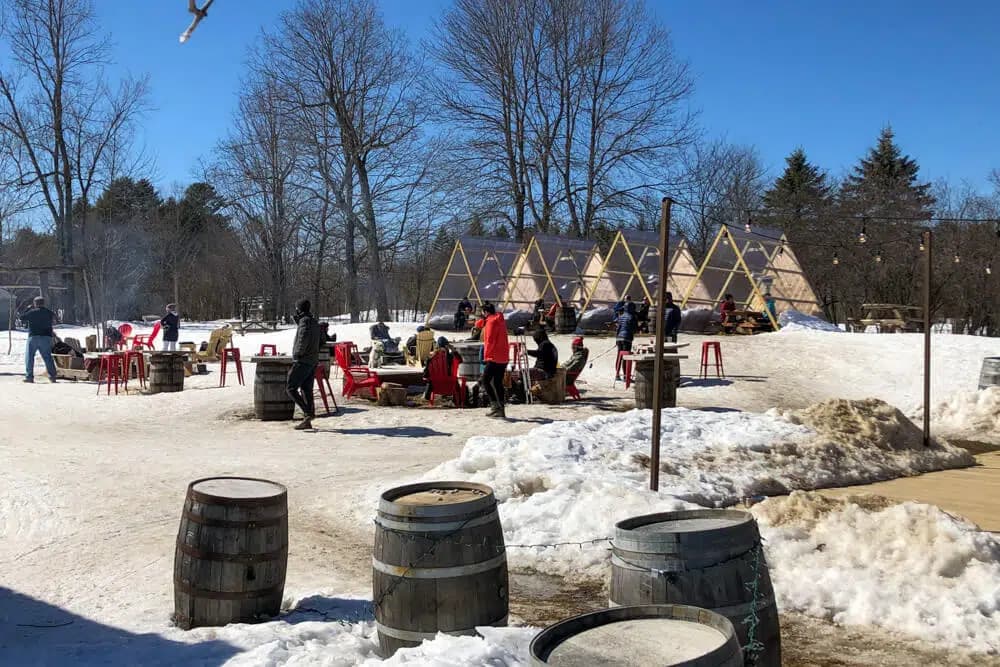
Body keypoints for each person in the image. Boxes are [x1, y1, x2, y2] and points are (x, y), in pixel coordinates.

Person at [287, 299, 321, 431]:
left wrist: (297, 354)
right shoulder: (313, 321)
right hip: (312, 360)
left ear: (299, 309)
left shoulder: (305, 322)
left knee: (291, 388)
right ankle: (307, 420)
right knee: (307, 390)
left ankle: (308, 413)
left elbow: (303, 339)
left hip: (303, 360)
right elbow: (319, 339)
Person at [480, 302, 509, 418]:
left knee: (485, 380)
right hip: (503, 356)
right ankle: (501, 409)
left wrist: (486, 356)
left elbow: (490, 341)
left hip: (494, 356)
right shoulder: (500, 321)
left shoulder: (491, 322)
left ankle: (494, 406)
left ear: (486, 312)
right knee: (497, 383)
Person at [21, 296, 58, 383]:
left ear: (35, 303)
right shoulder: (49, 312)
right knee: (47, 357)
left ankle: (29, 377)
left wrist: (27, 309)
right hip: (46, 337)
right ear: (44, 303)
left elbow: (22, 318)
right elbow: (55, 319)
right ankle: (52, 376)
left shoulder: (32, 312)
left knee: (29, 357)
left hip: (33, 336)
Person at [615, 301, 637, 380]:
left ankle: (617, 375)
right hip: (627, 338)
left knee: (619, 356)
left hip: (619, 337)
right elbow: (634, 330)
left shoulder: (621, 316)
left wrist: (617, 338)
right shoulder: (632, 317)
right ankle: (625, 376)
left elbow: (618, 328)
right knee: (626, 357)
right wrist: (642, 326)